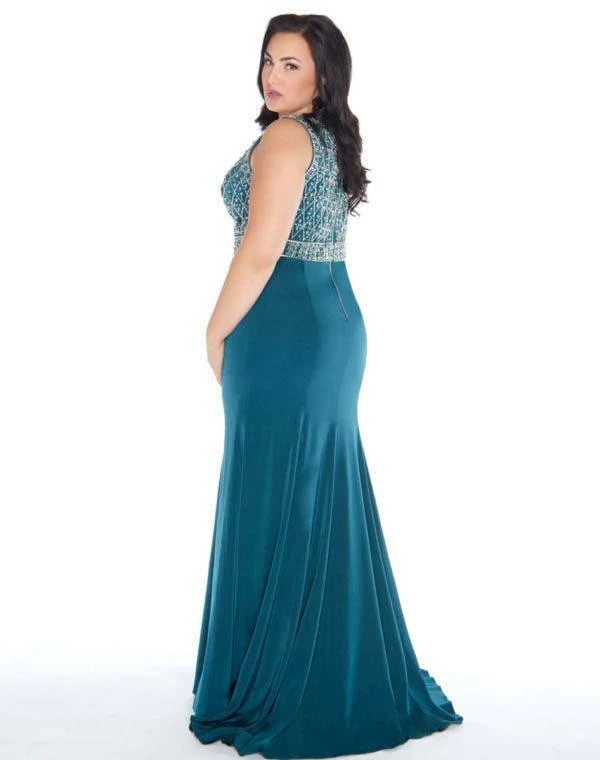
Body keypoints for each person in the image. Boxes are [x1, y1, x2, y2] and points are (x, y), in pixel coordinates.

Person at [188, 13, 463, 758]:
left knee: (278, 493)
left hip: (286, 329)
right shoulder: (320, 135)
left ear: (322, 76)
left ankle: (284, 682)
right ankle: (315, 667)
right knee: (305, 495)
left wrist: (212, 332)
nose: (273, 77)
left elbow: (260, 251)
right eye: (269, 61)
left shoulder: (287, 139)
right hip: (322, 326)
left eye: (292, 66)